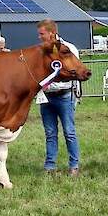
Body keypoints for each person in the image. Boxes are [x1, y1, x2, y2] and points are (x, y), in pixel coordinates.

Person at [37, 19, 81, 176]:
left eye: (42, 34)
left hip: (64, 95)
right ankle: (50, 167)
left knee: (69, 131)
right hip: (46, 97)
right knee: (50, 133)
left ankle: (74, 165)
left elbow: (76, 71)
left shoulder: (69, 49)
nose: (40, 37)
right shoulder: (41, 51)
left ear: (52, 33)